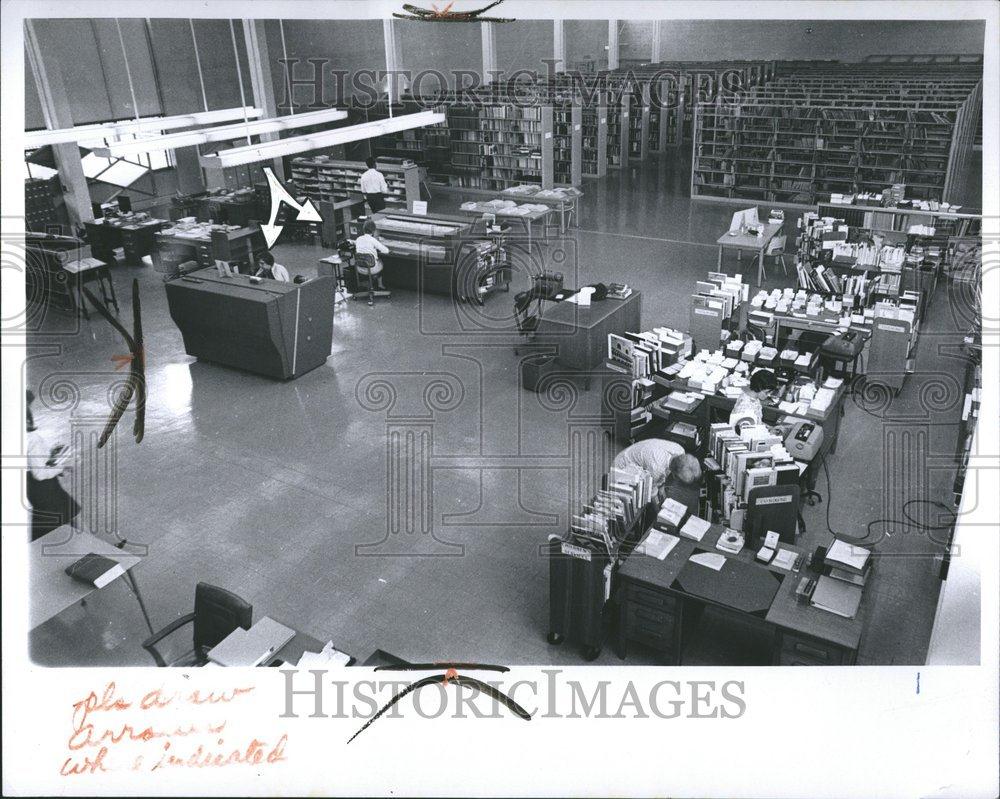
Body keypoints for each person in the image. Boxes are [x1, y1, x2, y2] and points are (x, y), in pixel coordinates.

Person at [25, 390, 81, 541]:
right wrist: (60, 467)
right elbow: (40, 474)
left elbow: (31, 463)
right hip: (45, 488)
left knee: (65, 516)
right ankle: (98, 549)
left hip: (31, 487)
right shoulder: (32, 438)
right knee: (69, 514)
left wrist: (50, 455)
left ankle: (94, 546)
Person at [613, 438, 701, 504]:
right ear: (675, 475)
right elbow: (651, 493)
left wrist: (661, 488)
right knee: (642, 498)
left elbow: (663, 478)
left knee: (659, 489)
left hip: (637, 452)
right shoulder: (657, 470)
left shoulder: (680, 450)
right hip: (621, 466)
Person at [730, 368, 779, 433]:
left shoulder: (753, 397)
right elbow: (746, 434)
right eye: (767, 392)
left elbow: (756, 421)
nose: (769, 395)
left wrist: (769, 428)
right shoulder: (746, 407)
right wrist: (769, 432)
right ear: (759, 388)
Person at [354, 220, 390, 291]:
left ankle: (371, 282)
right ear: (373, 231)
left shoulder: (358, 239)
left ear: (363, 229)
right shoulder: (373, 240)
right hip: (372, 269)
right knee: (381, 261)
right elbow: (386, 251)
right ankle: (380, 284)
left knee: (372, 260)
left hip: (360, 268)